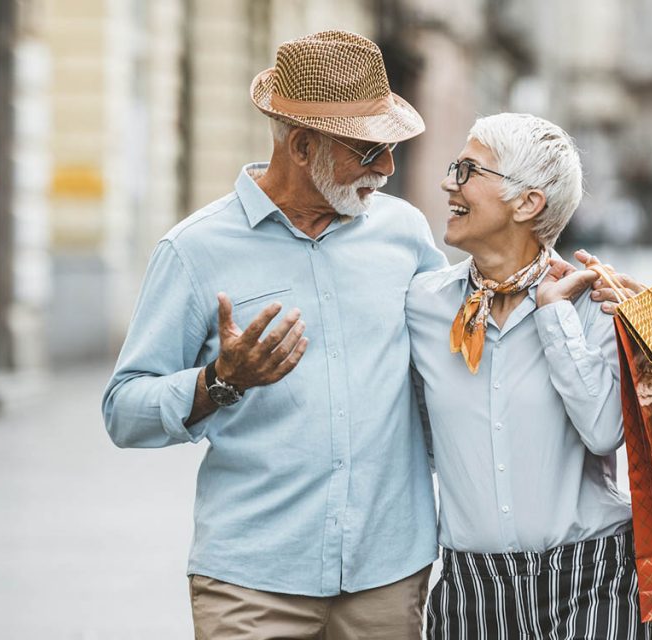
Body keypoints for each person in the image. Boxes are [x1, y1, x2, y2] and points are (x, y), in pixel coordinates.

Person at [101, 30, 447, 639]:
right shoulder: (193, 250)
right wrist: (220, 382)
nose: (389, 170)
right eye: (368, 152)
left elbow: (460, 351)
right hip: (250, 581)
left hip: (388, 574)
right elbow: (123, 411)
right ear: (304, 145)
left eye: (390, 149)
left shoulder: (406, 234)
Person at [405, 113, 652, 638]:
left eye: (469, 170)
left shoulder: (597, 301)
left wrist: (553, 316)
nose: (449, 182)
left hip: (593, 580)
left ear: (527, 202)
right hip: (473, 590)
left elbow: (604, 430)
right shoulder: (423, 307)